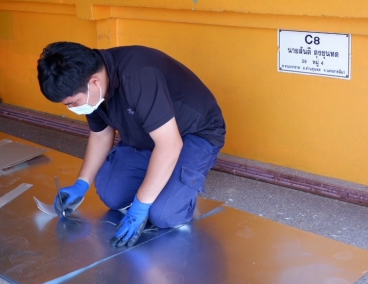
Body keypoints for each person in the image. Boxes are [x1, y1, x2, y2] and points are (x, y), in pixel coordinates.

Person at [37, 42, 226, 247]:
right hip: (146, 136)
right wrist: (81, 184)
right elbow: (100, 136)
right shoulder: (93, 88)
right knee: (112, 195)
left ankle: (179, 196)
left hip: (193, 133)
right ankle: (163, 180)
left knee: (164, 215)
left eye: (72, 103)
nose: (72, 108)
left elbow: (169, 144)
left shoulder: (139, 75)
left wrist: (141, 205)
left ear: (94, 82)